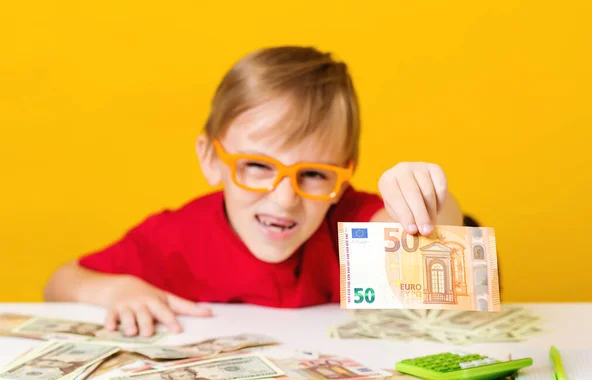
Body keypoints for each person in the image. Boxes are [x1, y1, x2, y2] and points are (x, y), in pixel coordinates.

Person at [44, 46, 463, 337]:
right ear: (211, 159)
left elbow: (428, 245)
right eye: (258, 166)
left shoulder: (351, 221)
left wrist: (428, 203)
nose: (285, 199)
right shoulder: (178, 236)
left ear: (344, 177)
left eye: (315, 174)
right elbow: (60, 283)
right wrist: (115, 290)